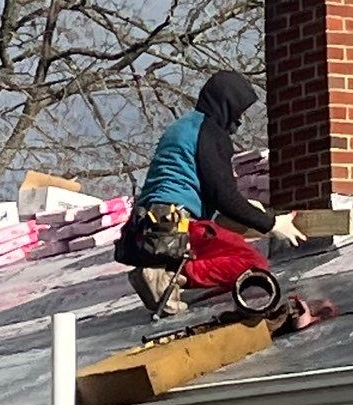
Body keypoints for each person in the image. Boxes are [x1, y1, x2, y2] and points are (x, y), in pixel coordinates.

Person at [114, 70, 304, 316]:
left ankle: (166, 274)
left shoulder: (183, 127)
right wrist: (271, 223)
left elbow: (202, 191)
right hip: (176, 226)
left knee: (225, 241)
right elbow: (224, 197)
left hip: (148, 229)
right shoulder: (211, 132)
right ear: (226, 104)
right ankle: (171, 277)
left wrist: (247, 209)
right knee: (253, 264)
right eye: (239, 112)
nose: (240, 121)